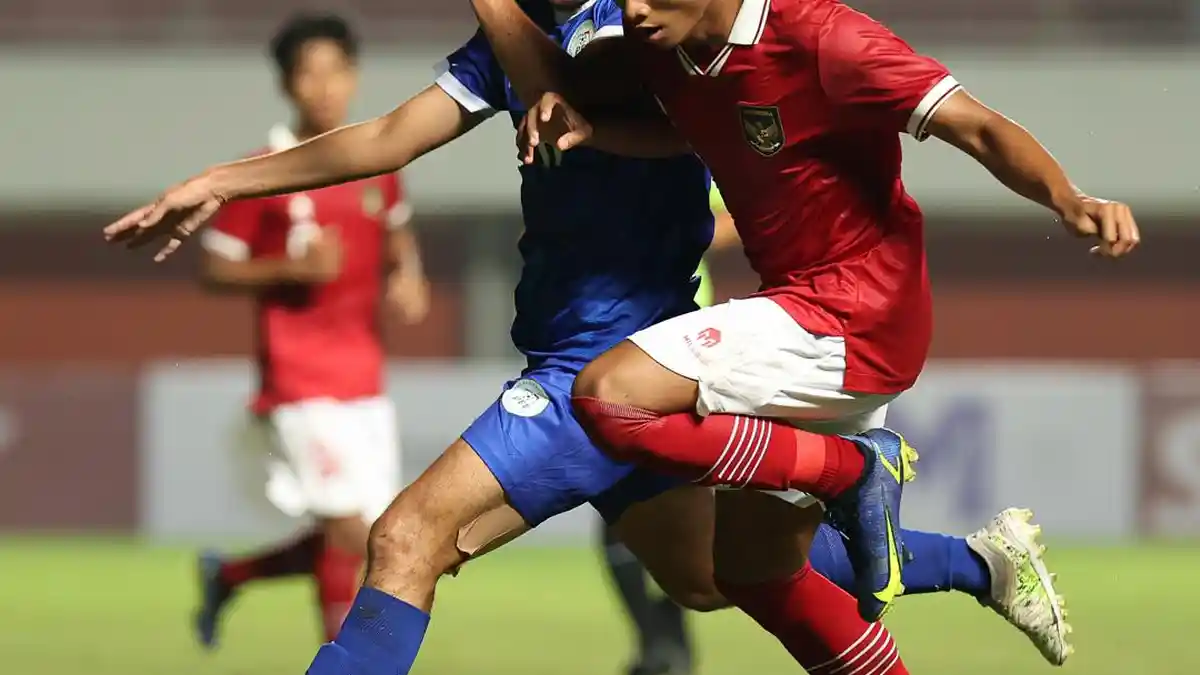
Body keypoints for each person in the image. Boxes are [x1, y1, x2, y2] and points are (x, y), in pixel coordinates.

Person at [101, 1, 1078, 673]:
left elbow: (573, 81)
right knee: (712, 578)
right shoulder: (537, 31)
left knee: (403, 538)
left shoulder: (634, 27)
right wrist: (220, 180)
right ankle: (980, 563)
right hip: (617, 370)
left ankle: (850, 470)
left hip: (609, 371)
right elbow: (388, 137)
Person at [477, 0, 1140, 671]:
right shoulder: (664, 48)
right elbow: (663, 126)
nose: (635, 9)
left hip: (853, 310)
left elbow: (978, 125)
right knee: (753, 572)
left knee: (608, 395)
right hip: (807, 313)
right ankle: (968, 553)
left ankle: (855, 470)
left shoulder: (825, 39)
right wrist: (593, 130)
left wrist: (1069, 198)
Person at [188, 14, 429, 648]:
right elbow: (213, 269)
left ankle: (229, 575)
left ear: (354, 76)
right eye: (308, 74)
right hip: (297, 377)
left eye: (335, 72)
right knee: (355, 532)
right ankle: (345, 659)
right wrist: (289, 269)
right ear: (286, 84)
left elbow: (398, 233)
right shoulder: (264, 172)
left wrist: (408, 275)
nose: (324, 87)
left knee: (368, 538)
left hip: (364, 376)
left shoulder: (379, 162)